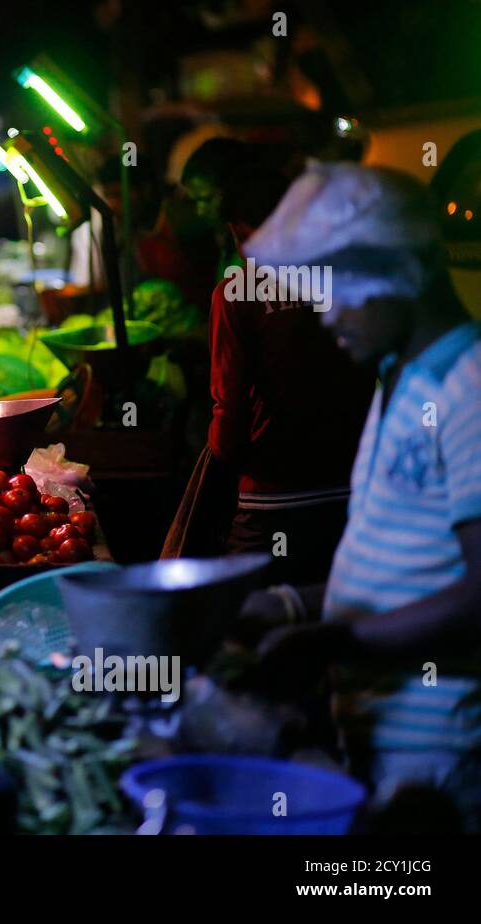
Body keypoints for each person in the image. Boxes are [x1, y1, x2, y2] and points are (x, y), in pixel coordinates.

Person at [239, 163, 481, 829]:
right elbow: (405, 559)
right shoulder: (398, 378)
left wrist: (334, 642)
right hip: (375, 731)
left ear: (402, 275)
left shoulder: (472, 387)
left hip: (443, 750)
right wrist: (288, 603)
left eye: (341, 295)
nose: (328, 317)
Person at [190, 144, 376, 585]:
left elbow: (228, 410)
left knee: (251, 621)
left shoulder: (236, 293)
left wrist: (220, 460)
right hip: (353, 492)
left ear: (239, 232)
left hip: (273, 501)